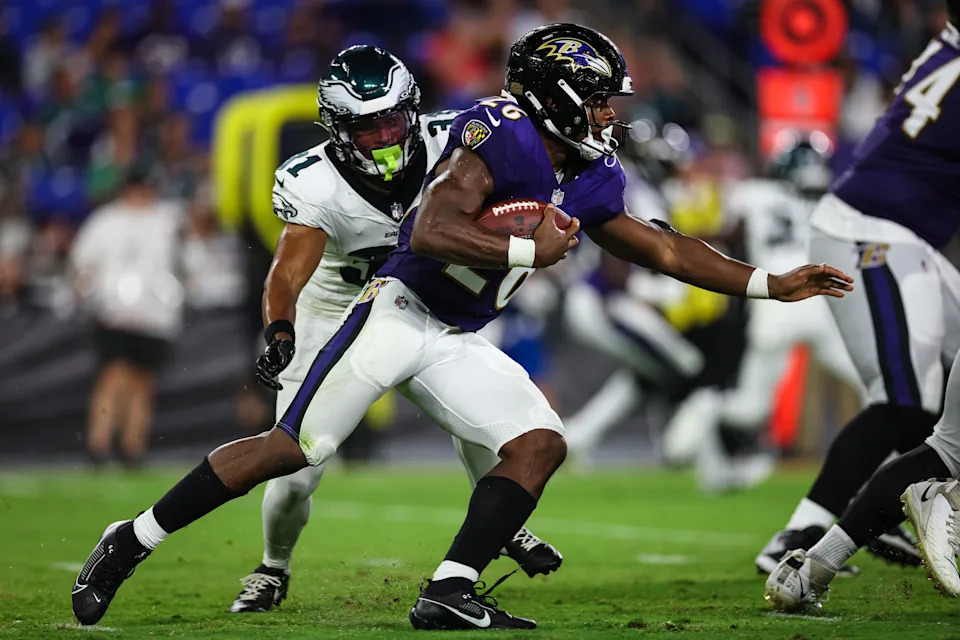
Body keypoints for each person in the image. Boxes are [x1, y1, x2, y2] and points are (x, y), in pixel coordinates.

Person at [72, 24, 852, 631]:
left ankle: (450, 587)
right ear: (557, 99)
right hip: (394, 310)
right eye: (598, 100)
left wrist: (769, 284)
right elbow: (432, 229)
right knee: (292, 450)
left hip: (452, 331)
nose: (610, 114)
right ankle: (130, 538)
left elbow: (663, 247)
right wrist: (528, 249)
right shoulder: (499, 133)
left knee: (540, 443)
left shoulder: (590, 170)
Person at [224, 45, 561, 615]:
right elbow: (285, 273)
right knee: (298, 467)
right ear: (337, 130)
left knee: (482, 417)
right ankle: (272, 567)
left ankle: (502, 525)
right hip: (332, 315)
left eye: (391, 121)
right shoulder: (313, 180)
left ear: (413, 110)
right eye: (366, 129)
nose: (383, 138)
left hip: (415, 306)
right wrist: (280, 329)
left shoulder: (455, 141)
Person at [763, 11, 960, 612]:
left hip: (906, 236)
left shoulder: (948, 48)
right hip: (876, 232)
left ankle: (897, 506)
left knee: (936, 408)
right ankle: (801, 537)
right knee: (905, 400)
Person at [665, 135, 866, 495]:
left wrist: (683, 238)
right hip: (819, 302)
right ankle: (888, 461)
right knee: (873, 384)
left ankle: (707, 405)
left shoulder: (755, 194)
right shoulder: (833, 203)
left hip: (775, 303)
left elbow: (731, 234)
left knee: (750, 407)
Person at [69, 168, 184, 467]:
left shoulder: (167, 220)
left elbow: (181, 263)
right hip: (115, 313)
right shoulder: (106, 221)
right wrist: (86, 294)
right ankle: (99, 444)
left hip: (156, 316)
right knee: (114, 375)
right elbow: (83, 263)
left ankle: (133, 447)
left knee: (143, 381)